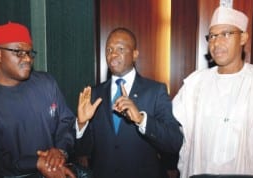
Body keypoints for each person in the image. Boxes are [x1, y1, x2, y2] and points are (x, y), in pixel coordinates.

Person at [172, 6, 253, 177]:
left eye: (225, 34)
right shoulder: (195, 83)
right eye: (212, 36)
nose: (216, 43)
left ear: (243, 38)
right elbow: (173, 130)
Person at [0, 22, 76, 178]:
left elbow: (66, 122)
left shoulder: (47, 83)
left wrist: (60, 151)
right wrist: (36, 162)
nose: (27, 59)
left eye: (29, 52)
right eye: (19, 52)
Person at [75, 27, 183, 178]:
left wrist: (141, 119)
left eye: (120, 48)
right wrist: (81, 125)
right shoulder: (94, 94)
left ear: (135, 54)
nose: (113, 54)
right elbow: (83, 151)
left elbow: (174, 142)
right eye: (109, 49)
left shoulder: (155, 91)